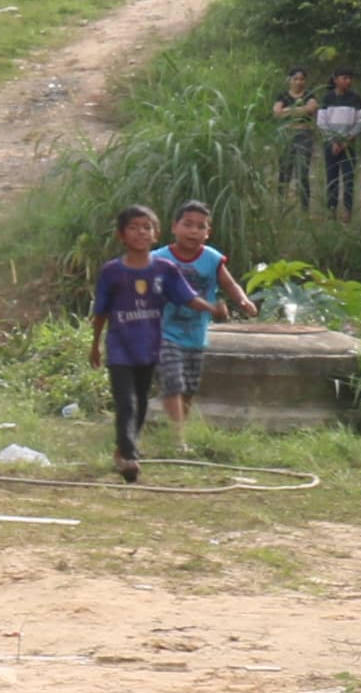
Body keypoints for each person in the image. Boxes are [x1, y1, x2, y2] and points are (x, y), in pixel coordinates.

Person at [88, 205, 205, 484]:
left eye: (146, 227)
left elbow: (186, 297)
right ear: (121, 236)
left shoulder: (165, 269)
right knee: (125, 401)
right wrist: (95, 344)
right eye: (133, 228)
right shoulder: (112, 272)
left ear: (156, 234)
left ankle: (123, 450)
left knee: (140, 402)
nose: (141, 233)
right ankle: (130, 455)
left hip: (149, 347)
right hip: (120, 347)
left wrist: (212, 308)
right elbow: (101, 311)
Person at [153, 200, 256, 445]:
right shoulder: (158, 258)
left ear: (208, 233)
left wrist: (242, 300)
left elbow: (229, 284)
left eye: (200, 227)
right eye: (187, 224)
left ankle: (176, 430)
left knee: (188, 388)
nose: (193, 231)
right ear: (174, 228)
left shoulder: (211, 259)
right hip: (163, 332)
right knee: (173, 381)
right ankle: (179, 439)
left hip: (195, 335)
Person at [318, 71, 361, 212]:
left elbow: (360, 122)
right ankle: (331, 209)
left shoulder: (356, 99)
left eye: (350, 78)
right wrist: (333, 141)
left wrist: (346, 141)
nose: (348, 81)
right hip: (330, 144)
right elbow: (321, 122)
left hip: (349, 144)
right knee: (332, 177)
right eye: (344, 78)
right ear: (335, 80)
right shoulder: (327, 98)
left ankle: (347, 210)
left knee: (348, 177)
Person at [276, 72, 321, 207]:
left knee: (302, 173)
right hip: (286, 136)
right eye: (295, 79)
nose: (298, 82)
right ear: (289, 80)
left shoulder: (310, 95)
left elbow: (312, 108)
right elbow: (277, 113)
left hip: (304, 135)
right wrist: (302, 109)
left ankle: (304, 209)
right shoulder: (282, 96)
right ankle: (281, 206)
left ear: (305, 81)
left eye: (301, 79)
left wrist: (288, 110)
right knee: (284, 172)